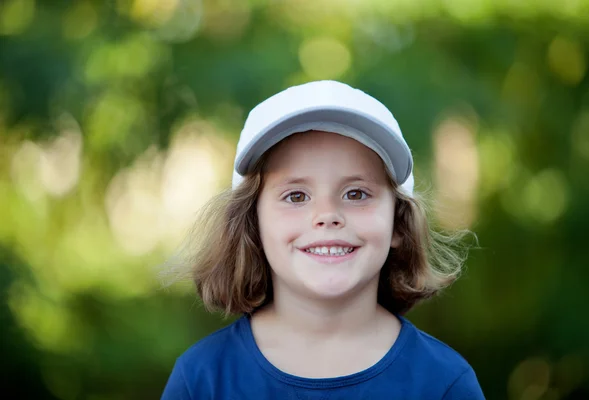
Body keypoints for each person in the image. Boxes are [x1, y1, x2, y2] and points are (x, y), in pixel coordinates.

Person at [160, 80, 485, 399]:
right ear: (253, 224)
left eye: (356, 193)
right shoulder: (202, 379)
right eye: (296, 195)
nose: (327, 214)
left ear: (398, 224)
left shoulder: (444, 383)